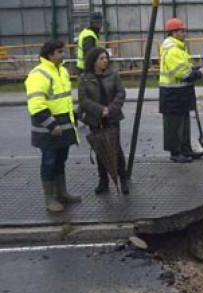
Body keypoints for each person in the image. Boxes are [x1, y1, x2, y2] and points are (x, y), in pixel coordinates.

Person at [25, 40, 81, 213]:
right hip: (48, 129)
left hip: (63, 126)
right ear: (50, 55)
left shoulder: (62, 71)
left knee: (60, 160)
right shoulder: (39, 74)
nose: (63, 55)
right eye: (59, 52)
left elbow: (63, 100)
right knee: (49, 162)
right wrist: (51, 124)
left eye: (62, 51)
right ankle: (49, 199)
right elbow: (36, 105)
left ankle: (61, 193)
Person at [159, 17, 203, 163]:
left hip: (180, 92)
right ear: (174, 32)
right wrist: (200, 73)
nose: (184, 33)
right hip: (172, 94)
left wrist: (197, 69)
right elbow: (183, 74)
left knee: (183, 123)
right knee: (174, 124)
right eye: (182, 31)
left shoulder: (179, 48)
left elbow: (185, 69)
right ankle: (175, 153)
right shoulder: (172, 50)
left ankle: (186, 149)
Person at [78, 47, 128, 195]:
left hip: (112, 118)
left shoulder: (113, 75)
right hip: (96, 119)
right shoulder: (85, 78)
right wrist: (100, 110)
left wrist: (110, 109)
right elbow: (83, 100)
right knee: (100, 149)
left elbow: (121, 93)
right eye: (101, 58)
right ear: (93, 61)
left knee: (116, 149)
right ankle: (103, 181)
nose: (105, 61)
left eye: (106, 58)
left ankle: (123, 179)